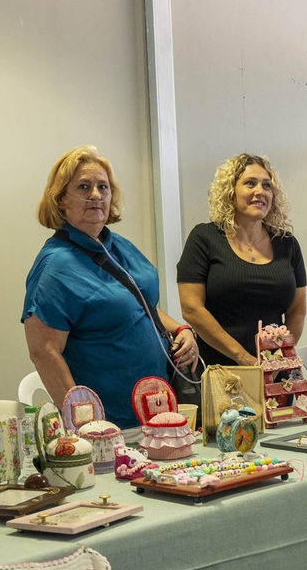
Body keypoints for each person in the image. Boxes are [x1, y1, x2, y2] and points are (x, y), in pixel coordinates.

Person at [23, 145, 199, 429]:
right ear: (60, 199)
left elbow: (143, 306)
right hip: (110, 423)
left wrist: (181, 329)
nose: (95, 195)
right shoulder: (55, 266)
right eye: (83, 186)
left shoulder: (119, 247)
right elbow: (44, 352)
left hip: (158, 410)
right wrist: (86, 425)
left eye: (103, 187)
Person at [178, 153, 307, 366]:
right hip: (221, 371)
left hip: (275, 373)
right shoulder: (204, 238)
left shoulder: (287, 244)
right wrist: (244, 359)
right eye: (250, 183)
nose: (260, 191)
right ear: (231, 192)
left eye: (266, 185)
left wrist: (279, 357)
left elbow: (297, 310)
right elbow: (191, 309)